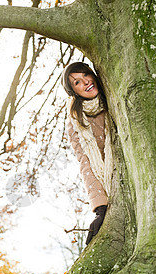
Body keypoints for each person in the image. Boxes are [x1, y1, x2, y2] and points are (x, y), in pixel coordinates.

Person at [61, 62, 113, 245]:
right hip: (112, 182)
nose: (85, 82)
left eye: (85, 75)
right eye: (77, 82)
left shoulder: (114, 94)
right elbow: (85, 163)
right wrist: (101, 207)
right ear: (74, 92)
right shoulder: (76, 121)